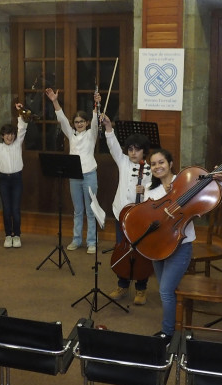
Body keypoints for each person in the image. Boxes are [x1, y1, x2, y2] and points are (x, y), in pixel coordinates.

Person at [143, 149, 222, 336]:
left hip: (181, 244)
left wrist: (219, 179)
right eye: (153, 164)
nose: (157, 167)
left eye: (161, 162)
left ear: (171, 163)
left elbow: (210, 190)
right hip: (157, 245)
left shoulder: (185, 183)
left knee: (165, 291)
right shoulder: (150, 189)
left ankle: (168, 332)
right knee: (167, 290)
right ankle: (176, 322)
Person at [45, 88, 101, 254]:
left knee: (91, 210)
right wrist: (55, 101)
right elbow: (62, 120)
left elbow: (96, 121)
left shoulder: (92, 134)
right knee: (78, 210)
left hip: (90, 174)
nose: (79, 124)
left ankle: (92, 241)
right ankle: (77, 239)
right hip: (74, 177)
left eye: (82, 121)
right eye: (77, 122)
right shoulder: (71, 135)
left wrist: (97, 103)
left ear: (86, 122)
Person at [104, 114, 152, 305]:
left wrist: (146, 189)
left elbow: (157, 193)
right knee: (121, 250)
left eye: (137, 150)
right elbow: (113, 145)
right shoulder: (123, 162)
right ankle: (122, 285)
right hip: (120, 214)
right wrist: (108, 126)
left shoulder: (150, 169)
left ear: (144, 152)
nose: (133, 153)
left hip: (140, 218)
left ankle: (141, 288)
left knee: (141, 252)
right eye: (130, 149)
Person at [0, 103, 28, 248]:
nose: (9, 137)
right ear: (2, 136)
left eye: (11, 134)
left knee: (15, 209)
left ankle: (16, 235)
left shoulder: (17, 144)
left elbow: (22, 127)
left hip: (17, 179)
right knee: (6, 209)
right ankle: (7, 235)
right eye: (6, 134)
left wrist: (19, 113)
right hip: (3, 180)